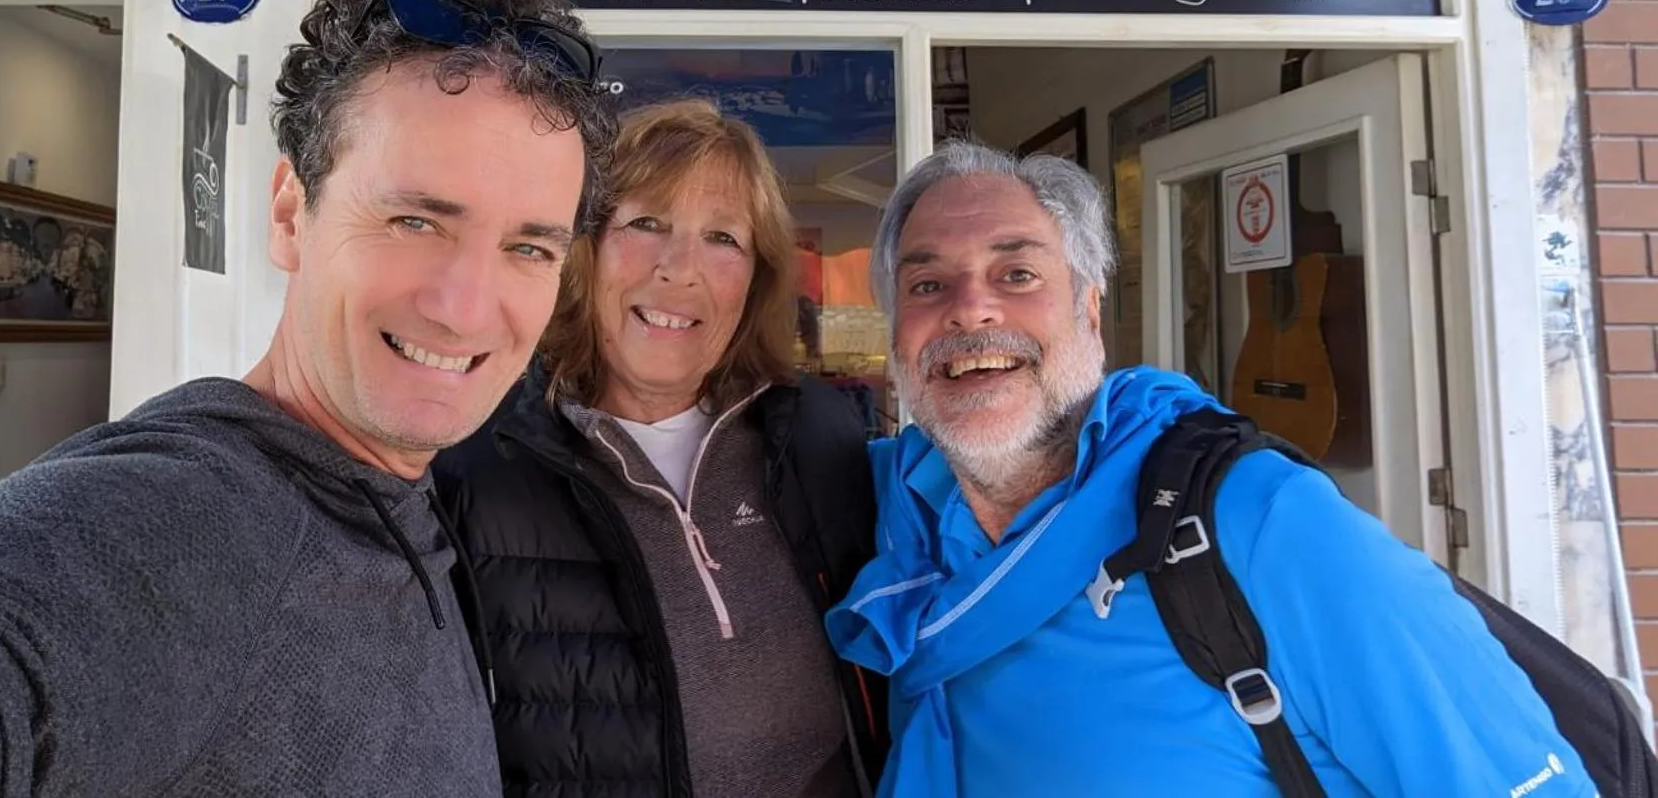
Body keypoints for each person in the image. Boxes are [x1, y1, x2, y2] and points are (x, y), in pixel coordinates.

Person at [0, 0, 617, 797]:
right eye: (414, 222)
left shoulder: (408, 490)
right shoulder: (178, 522)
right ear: (289, 215)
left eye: (527, 249)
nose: (465, 307)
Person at [824, 141, 1595, 797]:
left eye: (1017, 275)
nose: (969, 310)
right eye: (927, 285)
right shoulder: (896, 517)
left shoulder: (1264, 523)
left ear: (1088, 308)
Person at [435, 99, 888, 797]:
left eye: (723, 239)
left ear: (756, 280)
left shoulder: (812, 432)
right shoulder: (482, 457)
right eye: (646, 224)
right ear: (585, 252)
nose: (680, 270)